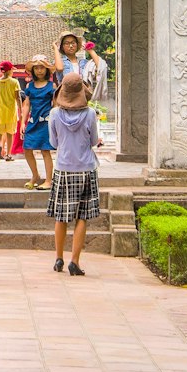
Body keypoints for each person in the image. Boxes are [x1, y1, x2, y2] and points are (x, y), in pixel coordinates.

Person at [47, 75, 103, 276]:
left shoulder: (54, 114)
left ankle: (58, 258)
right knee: (82, 216)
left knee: (61, 216)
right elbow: (94, 140)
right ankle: (75, 261)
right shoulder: (89, 114)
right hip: (85, 168)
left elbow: (53, 143)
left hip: (63, 168)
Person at [19, 55, 57, 191]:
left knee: (45, 151)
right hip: (33, 121)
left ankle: (48, 180)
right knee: (27, 148)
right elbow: (26, 104)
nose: (39, 71)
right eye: (36, 68)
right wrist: (23, 122)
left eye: (42, 68)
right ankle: (35, 175)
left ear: (47, 70)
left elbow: (55, 105)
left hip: (46, 122)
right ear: (33, 70)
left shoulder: (51, 86)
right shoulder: (29, 86)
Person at [0, 61, 21, 162]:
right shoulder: (14, 82)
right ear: (10, 70)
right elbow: (18, 98)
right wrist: (20, 111)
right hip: (11, 112)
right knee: (10, 133)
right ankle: (8, 154)